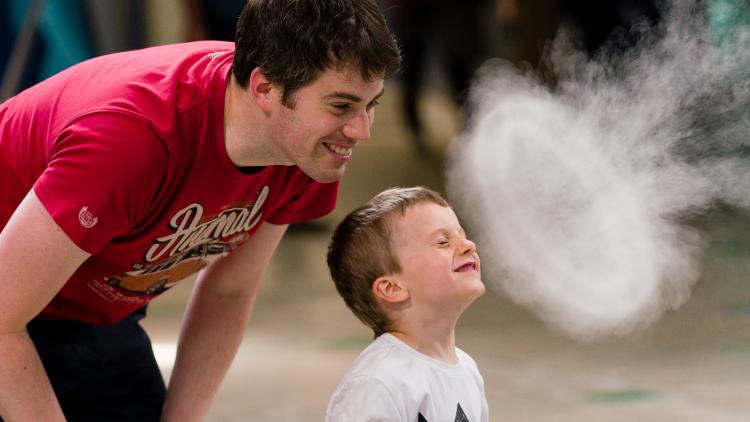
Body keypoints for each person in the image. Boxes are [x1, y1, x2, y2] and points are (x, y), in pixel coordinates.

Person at [0, 0, 401, 420]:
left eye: (371, 104)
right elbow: (4, 317)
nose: (361, 130)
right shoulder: (132, 140)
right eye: (341, 106)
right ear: (265, 89)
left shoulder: (303, 149)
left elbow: (229, 291)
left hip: (90, 307)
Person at [326, 187, 489, 421]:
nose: (468, 245)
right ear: (393, 288)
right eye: (443, 242)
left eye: (462, 235)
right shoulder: (378, 383)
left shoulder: (467, 370)